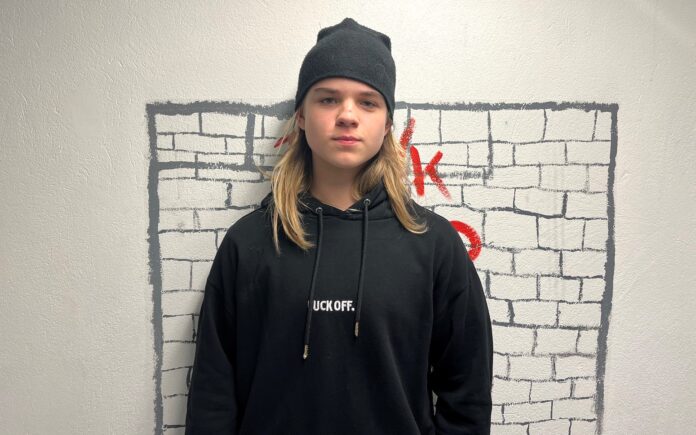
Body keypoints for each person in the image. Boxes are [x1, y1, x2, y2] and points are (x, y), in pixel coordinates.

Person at [184, 17, 493, 434]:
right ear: (301, 116)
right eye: (328, 99)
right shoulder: (250, 242)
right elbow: (212, 396)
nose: (347, 115)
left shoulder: (432, 243)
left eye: (368, 102)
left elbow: (468, 392)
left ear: (387, 124)